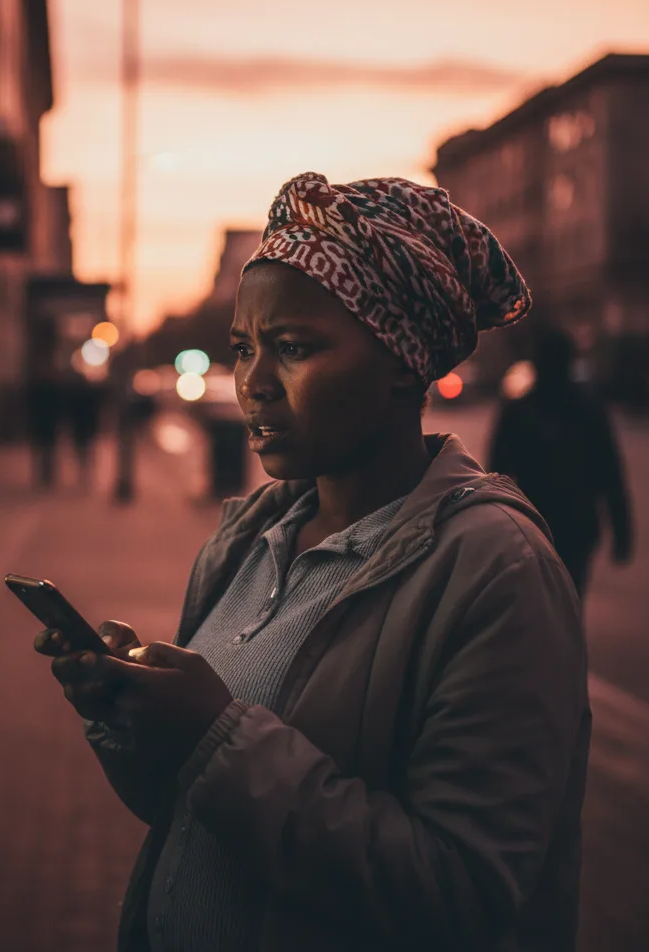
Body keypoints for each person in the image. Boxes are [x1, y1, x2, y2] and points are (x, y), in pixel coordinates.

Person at [33, 173, 590, 950]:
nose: (254, 384)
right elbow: (188, 812)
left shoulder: (496, 572)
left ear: (402, 359)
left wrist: (214, 735)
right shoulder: (246, 541)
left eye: (294, 348)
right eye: (243, 349)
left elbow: (462, 895)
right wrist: (130, 719)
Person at [490, 323, 633, 600]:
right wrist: (622, 531)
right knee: (570, 598)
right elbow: (610, 472)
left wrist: (494, 531)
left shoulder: (518, 411)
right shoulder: (589, 409)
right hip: (576, 525)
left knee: (537, 603)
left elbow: (496, 477)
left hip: (532, 525)